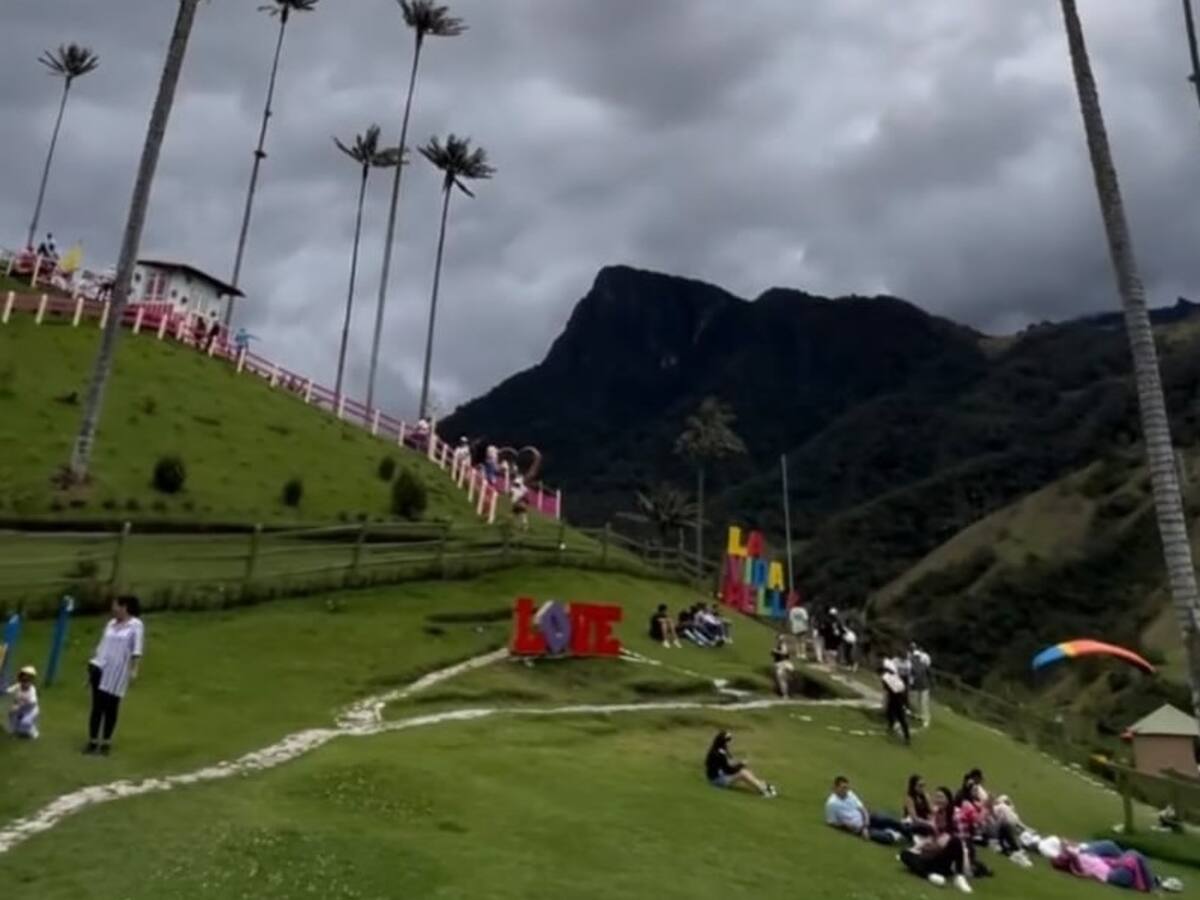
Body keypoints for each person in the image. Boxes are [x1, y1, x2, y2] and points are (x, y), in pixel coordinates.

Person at [85, 595, 145, 755]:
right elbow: (102, 645)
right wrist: (92, 664)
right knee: (97, 707)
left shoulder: (135, 625)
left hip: (118, 671)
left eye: (116, 606)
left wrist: (134, 670)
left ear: (124, 607)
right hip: (100, 667)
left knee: (111, 707)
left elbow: (136, 649)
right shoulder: (111, 624)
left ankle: (105, 742)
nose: (113, 609)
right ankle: (92, 742)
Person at [901, 786, 974, 892]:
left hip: (950, 856)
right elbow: (932, 837)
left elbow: (963, 838)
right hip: (934, 855)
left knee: (955, 841)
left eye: (941, 797)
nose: (938, 800)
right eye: (936, 797)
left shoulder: (956, 814)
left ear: (948, 799)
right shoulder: (936, 814)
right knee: (905, 855)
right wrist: (920, 847)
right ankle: (930, 876)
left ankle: (959, 876)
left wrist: (947, 838)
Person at [825, 775, 908, 845]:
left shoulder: (850, 794)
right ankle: (892, 833)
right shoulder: (832, 804)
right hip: (859, 828)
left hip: (867, 817)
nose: (846, 791)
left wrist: (866, 824)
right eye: (843, 788)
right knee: (887, 839)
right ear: (835, 788)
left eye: (847, 788)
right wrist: (852, 829)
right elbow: (832, 823)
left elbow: (862, 809)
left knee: (890, 820)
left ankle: (909, 834)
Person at [705, 730, 777, 797]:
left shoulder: (720, 750)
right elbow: (728, 770)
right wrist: (741, 764)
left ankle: (762, 786)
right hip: (717, 780)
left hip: (720, 775)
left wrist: (739, 765)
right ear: (723, 741)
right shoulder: (719, 753)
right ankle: (764, 790)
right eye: (729, 739)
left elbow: (726, 765)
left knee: (744, 771)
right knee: (743, 773)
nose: (730, 741)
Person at [6, 665, 40, 739]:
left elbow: (32, 703)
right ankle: (13, 729)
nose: (25, 683)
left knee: (25, 723)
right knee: (12, 714)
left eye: (28, 680)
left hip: (30, 710)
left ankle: (33, 732)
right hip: (19, 709)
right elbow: (8, 691)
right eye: (23, 679)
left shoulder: (32, 690)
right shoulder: (18, 686)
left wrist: (19, 706)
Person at [881, 659, 911, 745]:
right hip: (896, 696)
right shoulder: (892, 676)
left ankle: (907, 737)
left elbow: (889, 688)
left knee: (901, 717)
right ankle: (891, 726)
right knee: (890, 712)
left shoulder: (887, 677)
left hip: (897, 697)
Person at [908, 642, 933, 728]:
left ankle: (926, 720)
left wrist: (932, 683)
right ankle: (917, 715)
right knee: (915, 701)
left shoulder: (923, 665)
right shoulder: (911, 664)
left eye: (916, 657)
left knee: (923, 703)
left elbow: (929, 674)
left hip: (924, 686)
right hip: (916, 686)